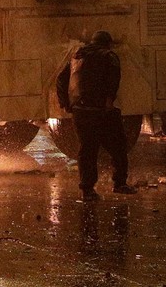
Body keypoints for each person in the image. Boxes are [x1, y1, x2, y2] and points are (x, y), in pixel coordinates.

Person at [57, 30, 137, 202]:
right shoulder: (110, 56)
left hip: (81, 110)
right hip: (101, 110)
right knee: (118, 147)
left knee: (87, 149)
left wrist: (66, 103)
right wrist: (109, 101)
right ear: (107, 43)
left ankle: (87, 190)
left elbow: (61, 79)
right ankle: (119, 183)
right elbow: (113, 81)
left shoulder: (77, 56)